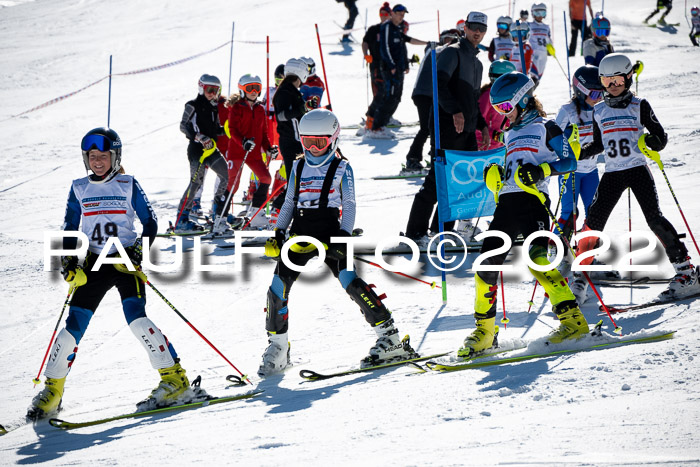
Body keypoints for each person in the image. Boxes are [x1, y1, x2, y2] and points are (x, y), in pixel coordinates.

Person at [27, 128, 196, 420]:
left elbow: (150, 221)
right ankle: (53, 388)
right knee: (72, 327)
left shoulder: (127, 184)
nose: (97, 162)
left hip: (125, 258)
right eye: (92, 157)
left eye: (103, 156)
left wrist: (139, 252)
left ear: (115, 156)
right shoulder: (79, 187)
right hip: (94, 262)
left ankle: (174, 379)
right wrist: (69, 261)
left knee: (137, 319)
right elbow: (70, 227)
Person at [258, 109, 419, 376]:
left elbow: (349, 203)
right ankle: (278, 347)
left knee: (350, 281)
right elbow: (289, 201)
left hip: (332, 231)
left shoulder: (342, 167)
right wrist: (277, 232)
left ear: (333, 139)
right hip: (300, 234)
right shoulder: (297, 165)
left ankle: (390, 337)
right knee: (277, 287)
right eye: (307, 141)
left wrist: (343, 237)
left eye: (319, 142)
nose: (312, 148)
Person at [458, 71, 589, 358]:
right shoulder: (510, 133)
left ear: (524, 101)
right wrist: (495, 177)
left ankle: (573, 322)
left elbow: (568, 161)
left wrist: (541, 170)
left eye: (505, 107)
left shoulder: (547, 127)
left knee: (538, 261)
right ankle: (486, 332)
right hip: (506, 203)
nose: (503, 114)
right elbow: (512, 169)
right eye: (497, 110)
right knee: (485, 264)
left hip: (533, 201)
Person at [573, 53, 699, 303]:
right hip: (612, 173)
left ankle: (686, 272)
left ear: (628, 77)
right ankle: (579, 279)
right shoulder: (598, 111)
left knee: (654, 218)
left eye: (618, 80)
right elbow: (599, 144)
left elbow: (660, 137)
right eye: (607, 81)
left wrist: (650, 142)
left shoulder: (639, 105)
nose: (613, 86)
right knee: (593, 223)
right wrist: (581, 151)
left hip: (637, 169)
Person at [403, 11, 489, 244]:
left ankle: (442, 230)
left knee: (459, 185)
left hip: (468, 131)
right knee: (437, 181)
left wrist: (482, 124)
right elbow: (437, 85)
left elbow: (472, 99)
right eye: (473, 27)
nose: (477, 32)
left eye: (482, 29)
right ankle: (415, 233)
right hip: (448, 128)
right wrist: (454, 111)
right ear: (465, 28)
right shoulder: (452, 53)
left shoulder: (477, 63)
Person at [553, 65, 603, 257]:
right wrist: (563, 141)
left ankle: (587, 253)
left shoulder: (600, 109)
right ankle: (557, 254)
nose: (599, 98)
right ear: (581, 91)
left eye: (602, 93)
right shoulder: (567, 111)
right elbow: (552, 139)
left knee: (594, 215)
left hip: (591, 172)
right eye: (595, 93)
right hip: (570, 172)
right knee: (569, 215)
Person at [175, 74, 230, 233]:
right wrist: (198, 136)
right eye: (209, 90)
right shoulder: (192, 105)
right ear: (201, 88)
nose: (213, 93)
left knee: (226, 174)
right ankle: (181, 219)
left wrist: (226, 130)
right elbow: (183, 126)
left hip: (211, 149)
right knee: (196, 183)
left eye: (216, 90)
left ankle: (217, 213)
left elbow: (214, 129)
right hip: (197, 150)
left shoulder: (214, 108)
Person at [402, 29, 460, 174]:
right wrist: (454, 44)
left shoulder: (442, 52)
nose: (450, 42)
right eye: (447, 38)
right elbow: (441, 49)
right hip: (425, 93)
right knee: (426, 128)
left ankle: (433, 154)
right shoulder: (435, 50)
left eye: (453, 39)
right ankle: (412, 159)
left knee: (435, 127)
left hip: (431, 94)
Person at [368, 4, 428, 138]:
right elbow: (385, 48)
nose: (401, 17)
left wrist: (427, 43)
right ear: (393, 14)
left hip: (399, 69)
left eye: (403, 15)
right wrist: (392, 65)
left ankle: (381, 125)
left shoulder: (398, 28)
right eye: (399, 14)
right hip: (390, 69)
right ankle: (376, 127)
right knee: (389, 97)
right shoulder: (388, 27)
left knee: (396, 98)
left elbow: (406, 42)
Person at [225, 74, 277, 229]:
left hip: (253, 154)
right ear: (242, 90)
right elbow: (232, 130)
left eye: (257, 88)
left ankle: (256, 214)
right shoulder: (237, 108)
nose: (254, 91)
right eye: (250, 88)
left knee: (266, 178)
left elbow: (264, 134)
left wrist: (269, 148)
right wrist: (243, 142)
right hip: (237, 152)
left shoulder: (261, 109)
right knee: (233, 184)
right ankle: (220, 218)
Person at [270, 58, 310, 227]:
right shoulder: (285, 91)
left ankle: (299, 219)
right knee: (295, 184)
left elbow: (298, 114)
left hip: (299, 143)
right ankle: (276, 215)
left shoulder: (292, 90)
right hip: (291, 143)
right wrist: (301, 109)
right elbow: (281, 115)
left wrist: (307, 107)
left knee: (303, 182)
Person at [361, 3, 392, 132]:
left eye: (386, 14)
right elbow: (365, 43)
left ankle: (386, 115)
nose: (383, 16)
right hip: (376, 65)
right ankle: (372, 116)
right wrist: (366, 54)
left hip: (390, 66)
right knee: (379, 91)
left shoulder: (393, 30)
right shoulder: (374, 29)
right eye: (382, 14)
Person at [475, 59, 516, 151]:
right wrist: (495, 135)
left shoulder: (503, 96)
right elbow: (478, 121)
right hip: (485, 146)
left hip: (500, 146)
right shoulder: (488, 96)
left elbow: (506, 118)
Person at [528, 3, 555, 85]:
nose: (540, 16)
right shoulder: (529, 25)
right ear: (533, 14)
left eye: (542, 13)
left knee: (537, 78)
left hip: (543, 54)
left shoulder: (546, 27)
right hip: (534, 54)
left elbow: (548, 40)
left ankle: (531, 93)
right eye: (537, 13)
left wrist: (551, 49)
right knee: (533, 75)